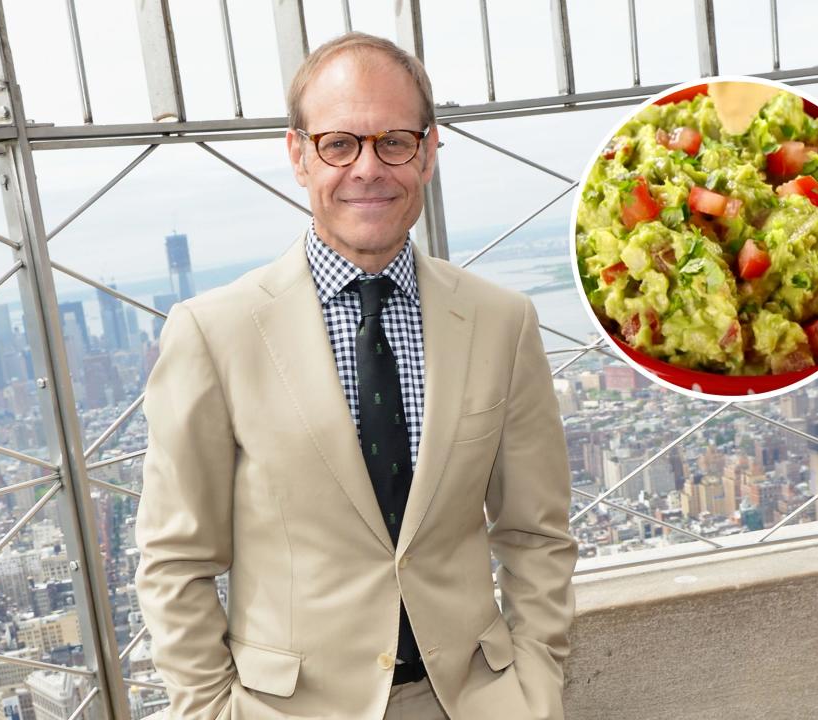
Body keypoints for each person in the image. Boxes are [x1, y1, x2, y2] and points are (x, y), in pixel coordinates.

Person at [134, 31, 577, 720]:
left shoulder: (502, 322)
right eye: (339, 144)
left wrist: (535, 688)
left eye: (394, 141)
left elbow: (537, 533)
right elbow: (176, 562)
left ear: (429, 153)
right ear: (299, 155)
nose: (368, 168)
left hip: (475, 701)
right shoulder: (212, 334)